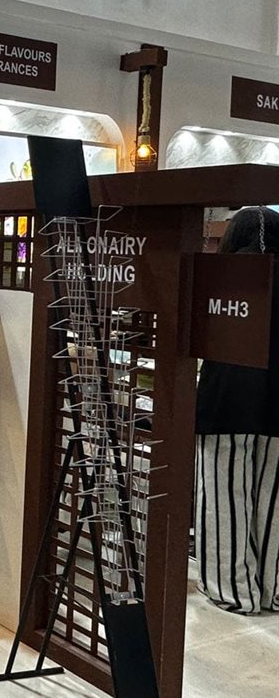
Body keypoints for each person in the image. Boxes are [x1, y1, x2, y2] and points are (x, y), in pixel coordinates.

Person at [195, 206, 279, 614]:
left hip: (226, 398)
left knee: (223, 493)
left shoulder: (220, 276)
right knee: (273, 499)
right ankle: (273, 587)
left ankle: (232, 590)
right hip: (277, 399)